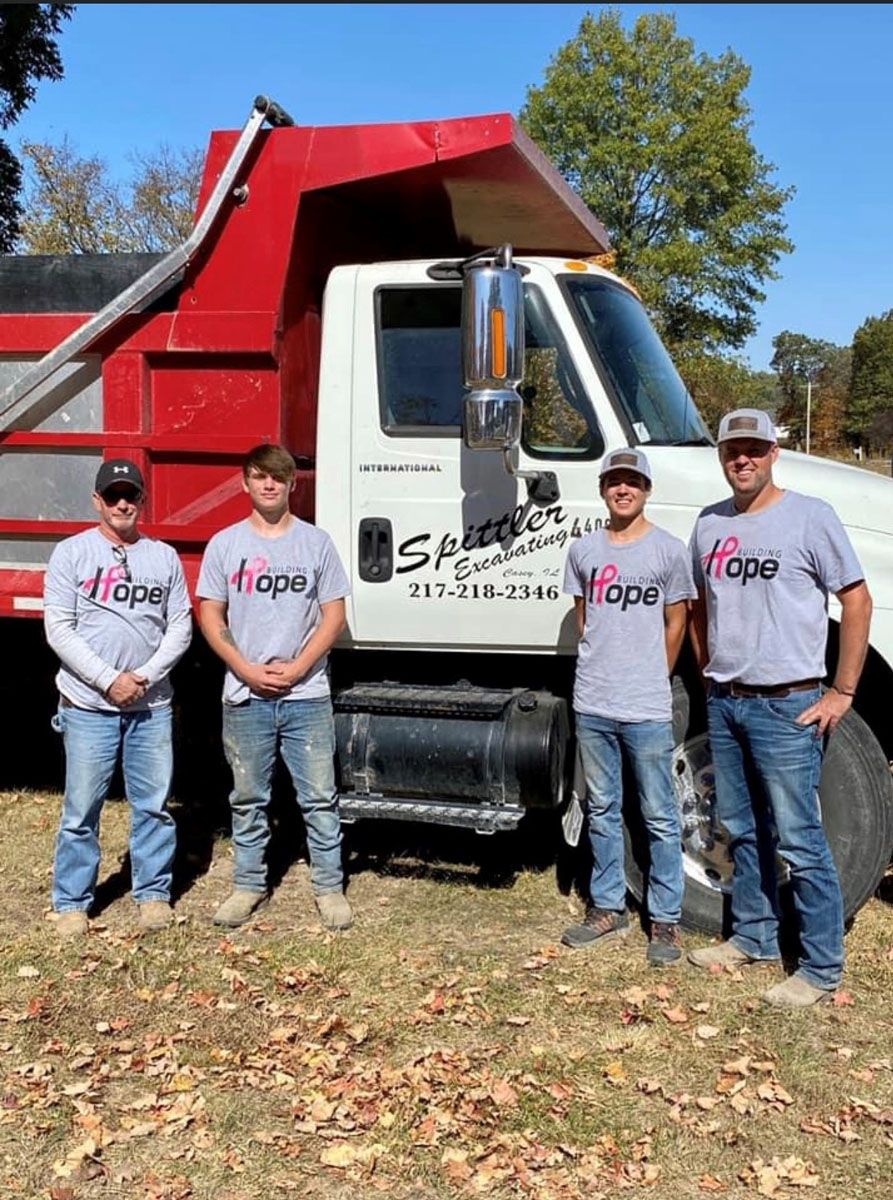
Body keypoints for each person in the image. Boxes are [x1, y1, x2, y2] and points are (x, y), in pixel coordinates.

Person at [687, 408, 873, 1008]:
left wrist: (842, 692)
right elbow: (698, 609)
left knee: (798, 837)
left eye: (755, 449)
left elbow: (857, 600)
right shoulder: (709, 525)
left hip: (787, 706)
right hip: (726, 703)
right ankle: (755, 939)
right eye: (732, 450)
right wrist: (709, 672)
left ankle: (821, 967)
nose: (743, 459)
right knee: (741, 828)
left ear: (774, 454)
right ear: (721, 458)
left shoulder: (810, 518)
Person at [196, 443, 352, 931]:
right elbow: (209, 612)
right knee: (248, 798)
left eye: (279, 478)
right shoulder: (225, 545)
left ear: (291, 485)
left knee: (320, 797)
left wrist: (301, 666)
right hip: (245, 696)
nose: (269, 485)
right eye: (260, 477)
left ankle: (329, 889)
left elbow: (334, 615)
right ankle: (248, 885)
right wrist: (243, 667)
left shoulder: (316, 544)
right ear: (245, 483)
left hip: (306, 696)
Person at [44, 459, 192, 938]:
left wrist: (144, 677)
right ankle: (71, 901)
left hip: (150, 707)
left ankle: (152, 894)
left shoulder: (163, 557)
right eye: (113, 496)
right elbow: (59, 629)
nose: (123, 503)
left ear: (142, 501)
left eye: (131, 495)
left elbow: (180, 627)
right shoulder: (71, 554)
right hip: (89, 707)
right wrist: (108, 679)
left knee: (152, 805)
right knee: (81, 808)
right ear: (97, 501)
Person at [561, 448, 696, 966]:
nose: (624, 490)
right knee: (602, 808)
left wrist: (650, 675)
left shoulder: (667, 551)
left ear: (647, 489)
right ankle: (607, 907)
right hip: (593, 700)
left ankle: (665, 920)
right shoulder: (584, 552)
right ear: (603, 490)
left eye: (633, 482)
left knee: (660, 814)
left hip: (645, 705)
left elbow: (676, 623)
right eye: (615, 482)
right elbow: (584, 618)